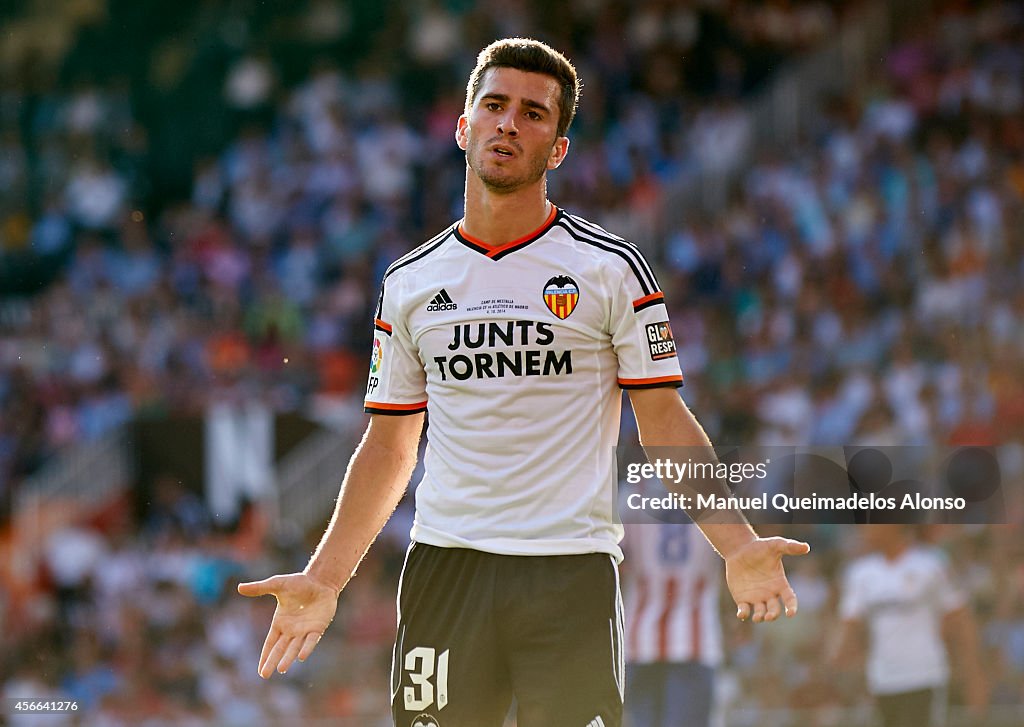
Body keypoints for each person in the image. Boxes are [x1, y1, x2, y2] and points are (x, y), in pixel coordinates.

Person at [238, 37, 809, 727]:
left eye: (534, 113)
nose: (509, 123)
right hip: (447, 571)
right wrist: (324, 577)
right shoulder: (411, 282)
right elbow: (390, 446)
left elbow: (662, 418)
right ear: (463, 126)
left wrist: (738, 541)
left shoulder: (611, 269)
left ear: (559, 148)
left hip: (568, 573)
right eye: (495, 105)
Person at [831, 525, 989, 727]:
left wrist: (974, 676)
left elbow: (960, 620)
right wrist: (836, 665)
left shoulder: (931, 565)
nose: (865, 529)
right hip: (881, 679)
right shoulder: (860, 573)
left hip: (923, 676)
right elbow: (849, 625)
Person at [622, 521, 723, 727]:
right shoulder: (714, 501)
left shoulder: (631, 498)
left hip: (640, 639)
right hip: (696, 641)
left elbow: (616, 561)